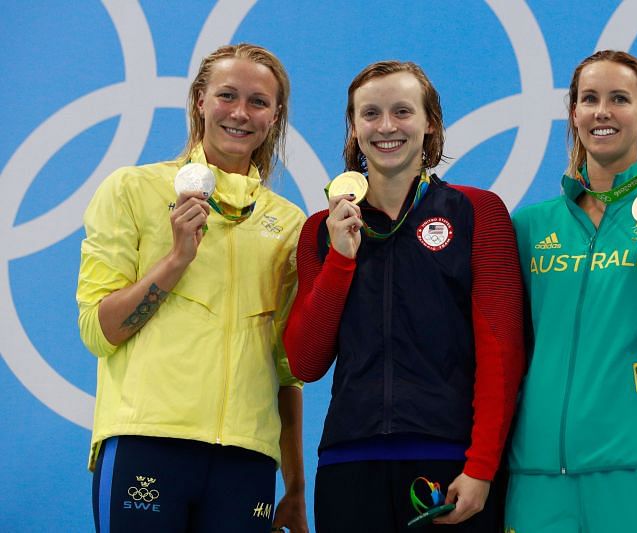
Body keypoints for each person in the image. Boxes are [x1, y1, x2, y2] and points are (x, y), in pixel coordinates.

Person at [282, 60, 525, 532]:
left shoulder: (478, 212)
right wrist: (341, 258)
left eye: (402, 111)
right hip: (347, 463)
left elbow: (502, 353)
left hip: (449, 461)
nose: (386, 126)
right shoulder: (321, 229)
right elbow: (305, 362)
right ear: (354, 127)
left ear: (429, 122)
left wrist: (480, 467)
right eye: (370, 114)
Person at [77, 43, 308, 533]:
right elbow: (100, 332)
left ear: (276, 115)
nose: (240, 113)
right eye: (227, 95)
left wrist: (296, 486)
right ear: (200, 100)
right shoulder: (131, 190)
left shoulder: (288, 224)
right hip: (147, 440)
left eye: (258, 102)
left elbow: (286, 373)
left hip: (247, 457)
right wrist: (177, 258)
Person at [504, 50, 637, 533]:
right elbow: (505, 354)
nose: (602, 111)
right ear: (574, 115)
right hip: (535, 479)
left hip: (633, 473)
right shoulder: (531, 225)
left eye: (619, 99)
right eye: (589, 99)